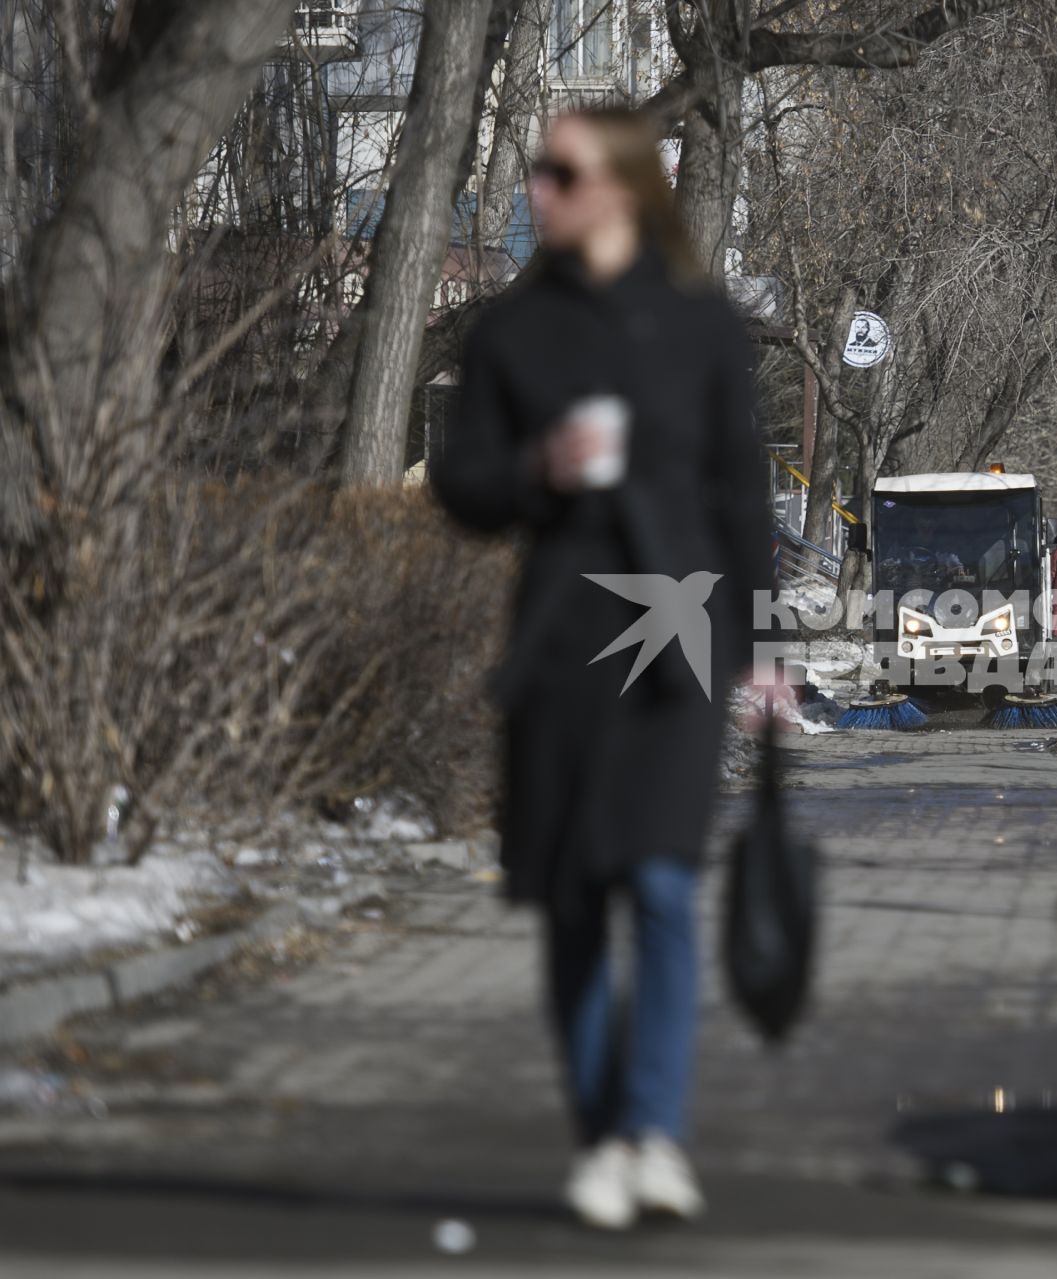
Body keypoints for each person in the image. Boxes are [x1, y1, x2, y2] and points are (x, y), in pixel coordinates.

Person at [429, 106, 772, 1230]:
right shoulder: (512, 333)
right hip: (563, 644)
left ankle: (654, 1130)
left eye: (560, 172)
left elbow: (743, 506)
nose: (538, 190)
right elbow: (463, 486)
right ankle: (599, 1138)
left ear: (623, 187)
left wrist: (760, 654)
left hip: (679, 636)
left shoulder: (705, 327)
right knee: (575, 898)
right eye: (538, 171)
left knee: (664, 887)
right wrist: (536, 465)